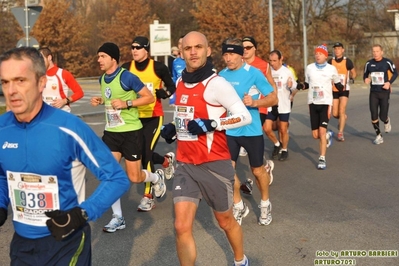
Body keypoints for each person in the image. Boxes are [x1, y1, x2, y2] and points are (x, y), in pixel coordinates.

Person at [0, 46, 130, 265]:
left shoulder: (69, 127)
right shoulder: (3, 128)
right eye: (5, 82)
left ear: (41, 82)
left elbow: (116, 177)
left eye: (20, 80)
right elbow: (3, 176)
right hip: (23, 245)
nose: (11, 90)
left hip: (66, 244)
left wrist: (81, 214)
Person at [160, 31, 252, 266]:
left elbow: (244, 116)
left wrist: (213, 124)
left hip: (214, 164)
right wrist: (173, 126)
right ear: (181, 53)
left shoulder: (216, 84)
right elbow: (184, 114)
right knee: (181, 226)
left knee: (225, 221)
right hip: (186, 164)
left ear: (208, 51)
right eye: (188, 48)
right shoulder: (180, 81)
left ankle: (240, 260)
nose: (193, 52)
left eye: (198, 47)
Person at [90, 42, 166, 232]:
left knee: (135, 177)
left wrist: (127, 103)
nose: (99, 60)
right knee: (110, 175)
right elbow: (110, 101)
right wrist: (101, 101)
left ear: (113, 59)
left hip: (131, 132)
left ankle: (156, 178)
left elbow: (149, 97)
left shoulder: (127, 77)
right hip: (111, 133)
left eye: (102, 56)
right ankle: (118, 218)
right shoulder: (102, 79)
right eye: (98, 56)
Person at [219, 38, 277, 227]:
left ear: (240, 55)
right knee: (228, 171)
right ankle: (238, 205)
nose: (228, 58)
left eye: (232, 54)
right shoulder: (221, 75)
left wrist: (255, 103)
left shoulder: (254, 73)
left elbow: (273, 99)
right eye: (225, 54)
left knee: (257, 170)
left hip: (251, 131)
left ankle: (265, 204)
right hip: (229, 130)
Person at [121, 36, 176, 212]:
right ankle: (165, 161)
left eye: (138, 47)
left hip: (153, 115)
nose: (134, 50)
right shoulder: (126, 68)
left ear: (147, 50)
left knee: (145, 154)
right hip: (133, 117)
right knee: (139, 152)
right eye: (132, 47)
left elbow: (172, 87)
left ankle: (148, 196)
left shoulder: (158, 67)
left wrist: (163, 93)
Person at [301, 44, 343, 169]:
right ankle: (328, 135)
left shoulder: (331, 69)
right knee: (315, 135)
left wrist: (340, 86)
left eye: (320, 54)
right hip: (313, 103)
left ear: (325, 56)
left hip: (325, 103)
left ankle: (322, 159)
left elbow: (337, 81)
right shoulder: (309, 68)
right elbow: (307, 83)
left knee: (321, 131)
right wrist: (302, 86)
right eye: (316, 53)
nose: (317, 55)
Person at [241, 36, 278, 157]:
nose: (245, 50)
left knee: (253, 136)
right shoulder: (237, 63)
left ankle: (261, 164)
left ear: (254, 48)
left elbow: (272, 84)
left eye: (248, 47)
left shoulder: (263, 65)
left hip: (259, 106)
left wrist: (274, 101)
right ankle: (263, 164)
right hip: (241, 106)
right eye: (243, 47)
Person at [265, 50, 298, 161]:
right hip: (271, 105)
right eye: (270, 61)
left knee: (283, 129)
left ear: (281, 59)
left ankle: (284, 149)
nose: (272, 63)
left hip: (284, 104)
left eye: (274, 61)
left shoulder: (287, 71)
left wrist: (291, 85)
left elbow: (294, 86)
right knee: (267, 128)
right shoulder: (268, 71)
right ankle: (276, 143)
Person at [363, 44, 398, 144]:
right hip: (373, 92)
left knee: (382, 116)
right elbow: (365, 75)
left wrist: (389, 83)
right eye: (373, 51)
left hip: (384, 92)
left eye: (377, 51)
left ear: (381, 52)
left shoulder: (387, 62)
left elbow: (395, 73)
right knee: (373, 115)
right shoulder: (368, 63)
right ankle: (378, 135)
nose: (375, 53)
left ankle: (386, 121)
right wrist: (366, 79)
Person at [38, 47, 84, 113]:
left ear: (49, 57)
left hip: (62, 113)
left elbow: (79, 93)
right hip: (45, 115)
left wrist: (64, 101)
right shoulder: (39, 76)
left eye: (42, 59)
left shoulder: (63, 74)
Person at [327, 42, 357, 141]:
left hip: (344, 89)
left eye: (339, 48)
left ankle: (340, 133)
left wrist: (352, 78)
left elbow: (353, 72)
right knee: (335, 114)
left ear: (343, 50)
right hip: (334, 89)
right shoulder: (330, 61)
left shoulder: (347, 61)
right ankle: (343, 117)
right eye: (335, 49)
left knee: (342, 110)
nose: (337, 50)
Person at [170, 35, 186, 106]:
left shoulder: (193, 60)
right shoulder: (175, 61)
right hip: (179, 94)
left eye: (183, 43)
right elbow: (174, 79)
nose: (181, 46)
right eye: (179, 43)